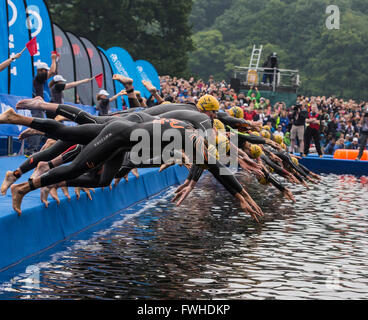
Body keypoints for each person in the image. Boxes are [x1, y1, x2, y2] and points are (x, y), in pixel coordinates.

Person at [25, 54, 57, 156]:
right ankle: (30, 150)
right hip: (37, 107)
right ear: (41, 71)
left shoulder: (42, 80)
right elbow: (52, 71)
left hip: (40, 107)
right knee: (38, 127)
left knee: (42, 127)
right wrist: (53, 59)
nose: (48, 72)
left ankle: (34, 149)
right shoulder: (39, 78)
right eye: (45, 70)